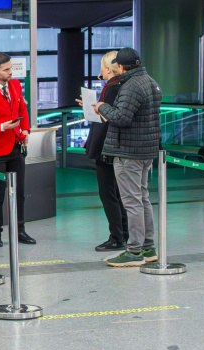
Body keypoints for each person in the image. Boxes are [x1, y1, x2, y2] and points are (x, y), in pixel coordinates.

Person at [94, 47, 163, 267]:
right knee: (142, 199)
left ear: (121, 67)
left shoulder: (131, 85)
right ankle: (148, 247)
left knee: (132, 202)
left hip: (128, 152)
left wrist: (102, 106)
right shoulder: (151, 82)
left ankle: (134, 251)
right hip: (145, 151)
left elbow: (121, 117)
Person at [0, 52, 36, 248]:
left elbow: (22, 109)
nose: (11, 72)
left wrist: (25, 130)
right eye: (7, 70)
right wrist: (1, 127)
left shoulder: (15, 85)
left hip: (16, 146)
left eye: (11, 68)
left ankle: (20, 230)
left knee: (19, 192)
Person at [78, 51, 128, 252]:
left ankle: (117, 237)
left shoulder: (112, 86)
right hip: (114, 146)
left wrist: (98, 109)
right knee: (117, 192)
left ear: (108, 68)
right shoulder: (121, 85)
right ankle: (124, 233)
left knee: (108, 192)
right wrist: (94, 108)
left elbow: (109, 117)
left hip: (106, 147)